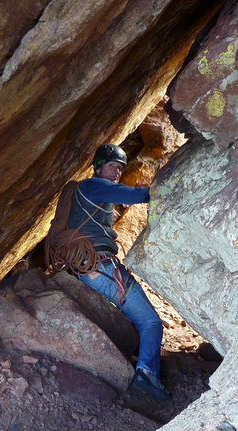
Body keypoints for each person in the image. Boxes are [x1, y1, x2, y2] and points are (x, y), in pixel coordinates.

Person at [46, 143, 171, 402]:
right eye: (112, 165)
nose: (116, 172)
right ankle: (146, 376)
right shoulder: (93, 186)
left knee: (140, 321)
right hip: (101, 268)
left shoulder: (91, 191)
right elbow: (137, 196)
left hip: (89, 268)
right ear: (99, 167)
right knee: (150, 322)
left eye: (120, 168)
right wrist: (169, 189)